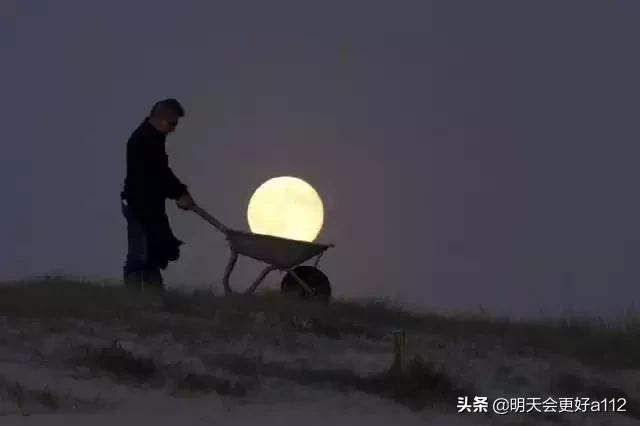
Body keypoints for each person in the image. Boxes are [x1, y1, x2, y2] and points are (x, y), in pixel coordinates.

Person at [120, 98, 196, 290]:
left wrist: (180, 192)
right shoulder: (142, 140)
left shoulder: (154, 137)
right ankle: (133, 294)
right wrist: (179, 194)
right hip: (138, 204)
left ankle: (154, 293)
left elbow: (162, 172)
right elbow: (156, 175)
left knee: (153, 250)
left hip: (150, 204)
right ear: (161, 119)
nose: (173, 129)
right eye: (172, 123)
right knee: (140, 252)